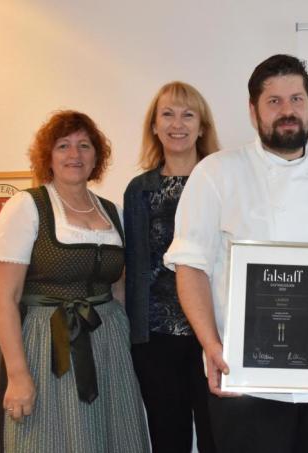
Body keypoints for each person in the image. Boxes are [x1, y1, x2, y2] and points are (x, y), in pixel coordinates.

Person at [162, 54, 308, 453]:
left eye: (296, 99)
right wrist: (211, 346)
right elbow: (190, 267)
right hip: (247, 375)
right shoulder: (217, 172)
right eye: (274, 101)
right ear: (253, 110)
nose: (287, 111)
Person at [0, 110, 149, 453]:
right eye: (63, 146)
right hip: (47, 342)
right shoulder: (27, 207)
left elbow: (117, 286)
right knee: (51, 437)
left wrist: (124, 344)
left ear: (96, 158)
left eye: (84, 146)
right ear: (48, 156)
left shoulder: (111, 211)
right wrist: (17, 375)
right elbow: (3, 294)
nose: (74, 155)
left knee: (114, 434)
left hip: (107, 342)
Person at [124, 81, 220, 453]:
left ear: (202, 127)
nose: (177, 124)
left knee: (217, 436)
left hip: (213, 333)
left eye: (188, 114)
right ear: (154, 125)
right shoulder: (139, 189)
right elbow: (133, 265)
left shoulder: (221, 180)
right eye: (167, 113)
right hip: (156, 338)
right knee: (168, 437)